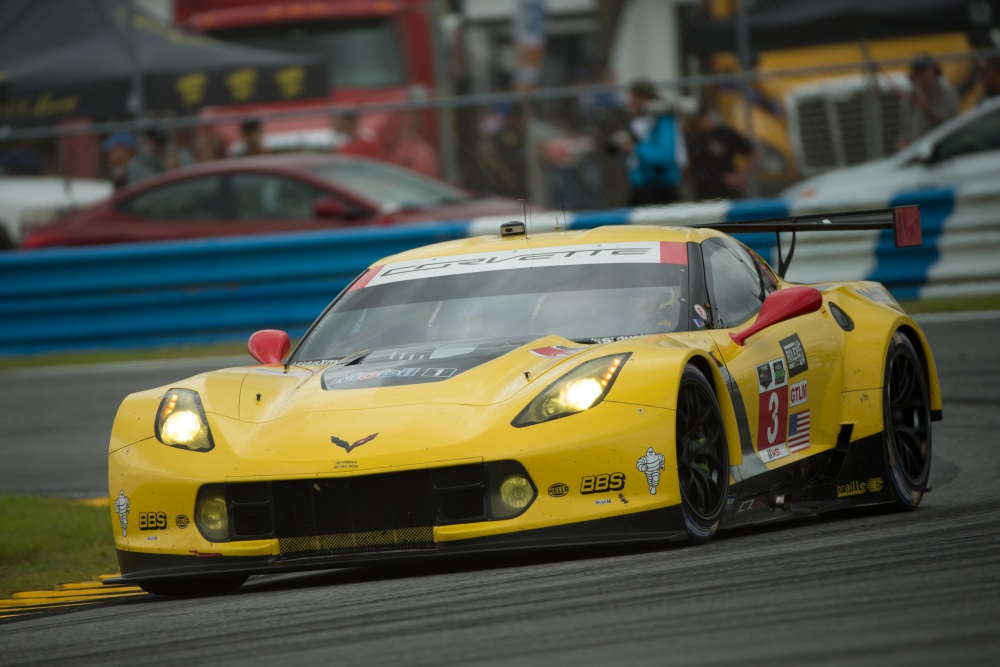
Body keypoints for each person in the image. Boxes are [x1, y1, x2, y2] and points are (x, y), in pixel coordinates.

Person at [608, 79, 687, 206]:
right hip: (641, 188)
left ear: (645, 99)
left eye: (634, 98)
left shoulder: (663, 120)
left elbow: (664, 155)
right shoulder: (637, 123)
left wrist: (634, 148)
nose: (630, 103)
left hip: (661, 190)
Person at [686, 104, 756, 200]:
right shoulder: (691, 138)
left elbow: (752, 152)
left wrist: (740, 175)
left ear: (704, 117)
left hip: (728, 192)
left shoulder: (724, 133)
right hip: (702, 193)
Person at [897, 54, 959, 149]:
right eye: (918, 74)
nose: (921, 78)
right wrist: (904, 139)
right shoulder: (913, 94)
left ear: (934, 72)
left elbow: (948, 123)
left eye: (924, 73)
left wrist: (927, 110)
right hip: (915, 148)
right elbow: (906, 123)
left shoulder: (946, 93)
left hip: (940, 147)